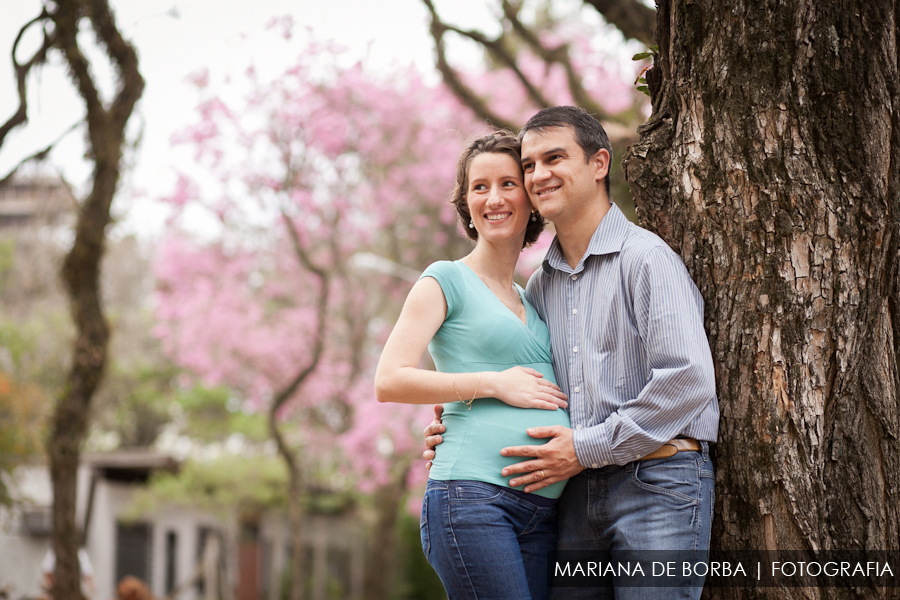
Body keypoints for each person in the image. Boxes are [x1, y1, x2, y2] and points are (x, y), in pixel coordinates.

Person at [424, 106, 719, 600]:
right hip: (572, 498)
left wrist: (584, 448)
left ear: (599, 163)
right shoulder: (539, 288)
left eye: (554, 158)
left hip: (657, 483)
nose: (539, 175)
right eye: (531, 164)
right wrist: (455, 422)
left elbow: (687, 381)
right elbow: (521, 381)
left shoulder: (647, 260)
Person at [375, 131, 572, 600]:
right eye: (479, 187)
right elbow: (389, 379)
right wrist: (492, 384)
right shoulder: (445, 279)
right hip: (473, 502)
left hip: (542, 514)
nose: (494, 198)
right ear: (465, 203)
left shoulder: (534, 297)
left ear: (530, 197)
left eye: (507, 183)